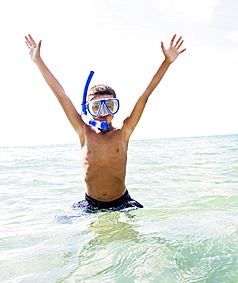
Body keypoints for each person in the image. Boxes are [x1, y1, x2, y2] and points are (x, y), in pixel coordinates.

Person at [25, 34, 186, 211]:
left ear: (116, 108)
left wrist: (167, 62)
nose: (103, 113)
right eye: (97, 107)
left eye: (109, 106)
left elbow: (145, 94)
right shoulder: (83, 131)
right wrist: (38, 61)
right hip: (91, 204)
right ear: (88, 111)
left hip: (123, 202)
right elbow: (60, 94)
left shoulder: (124, 131)